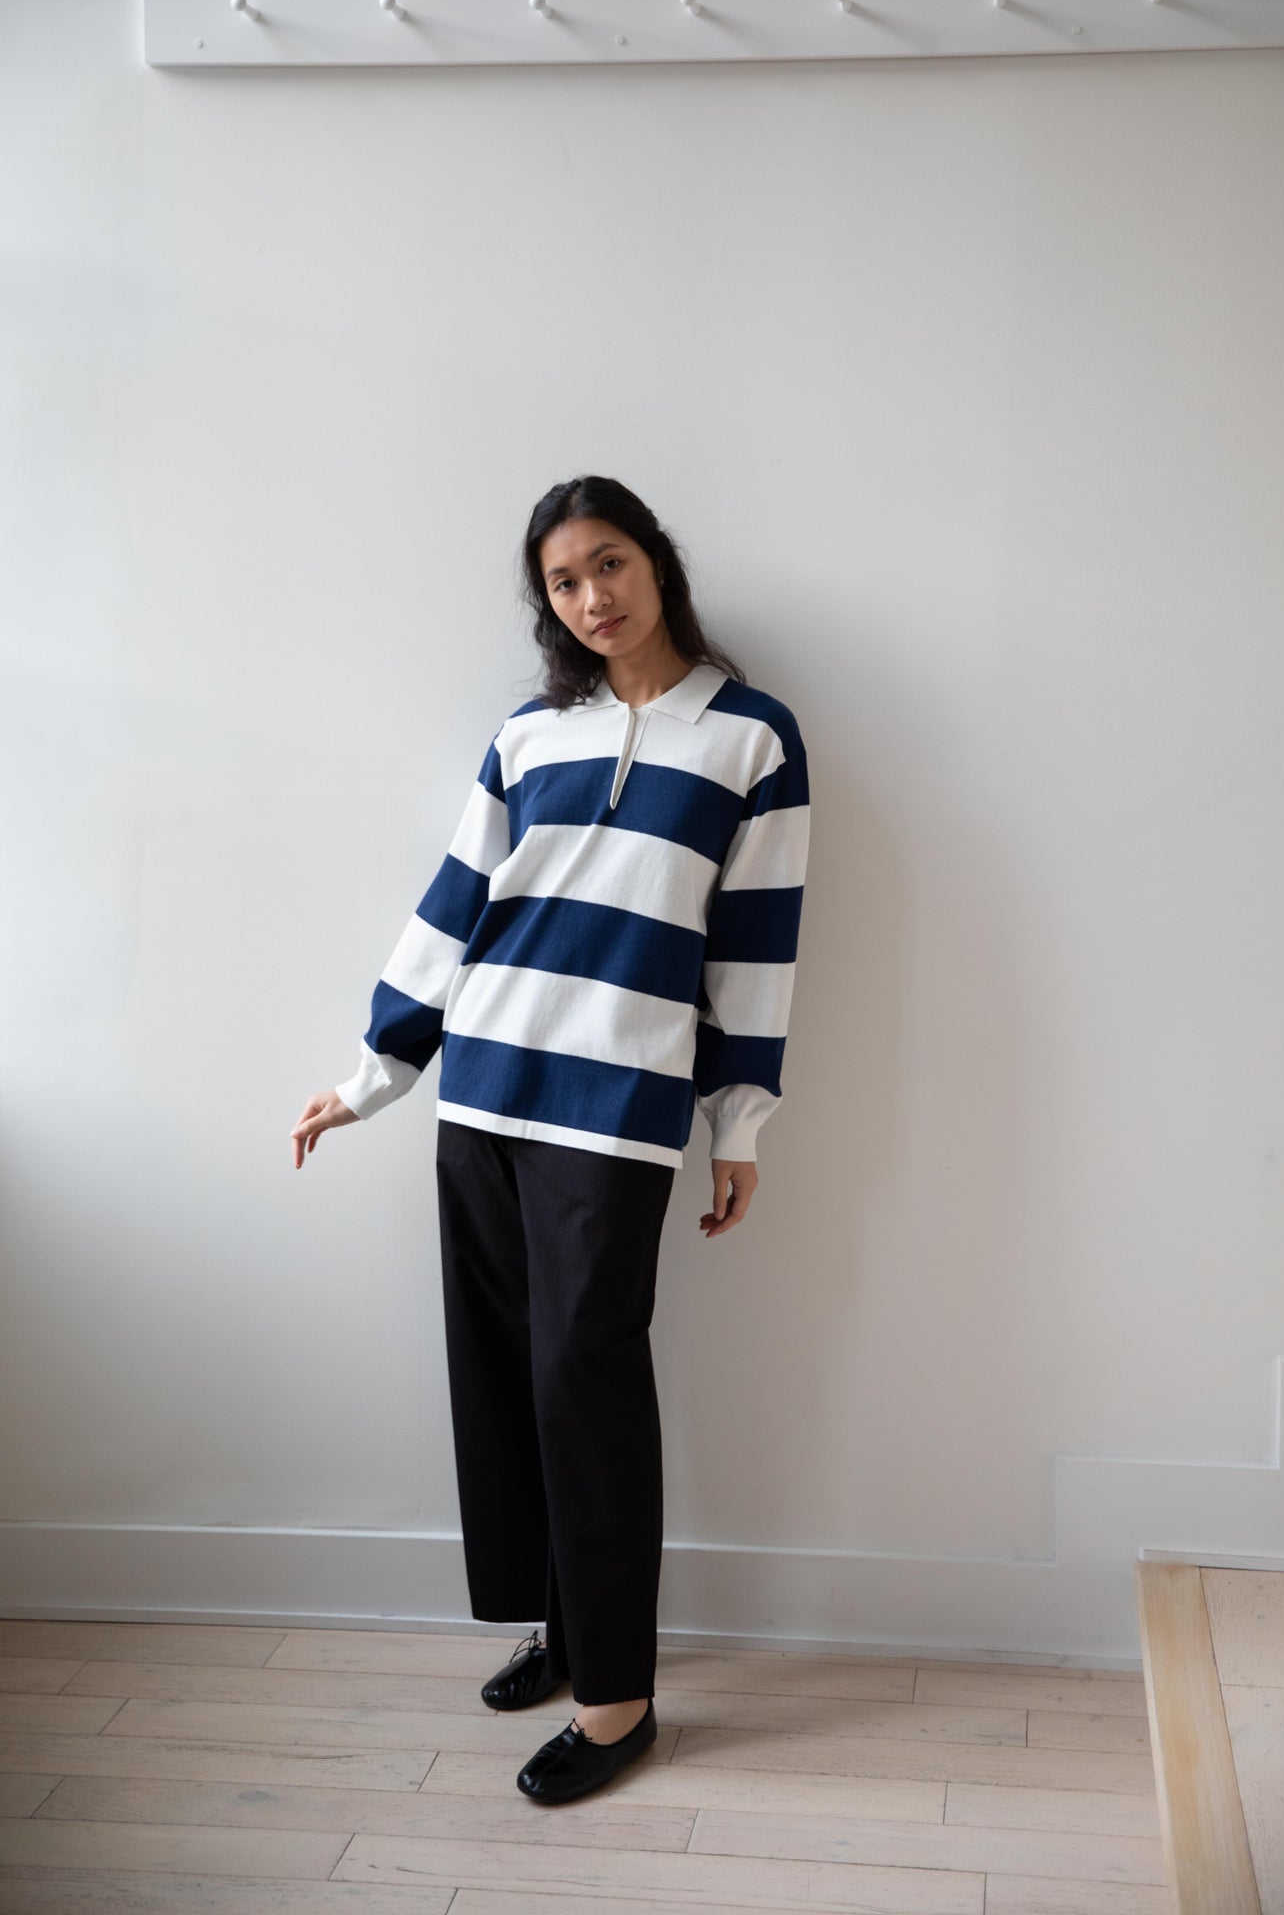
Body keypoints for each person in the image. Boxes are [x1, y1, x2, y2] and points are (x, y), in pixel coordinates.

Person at [291, 474, 810, 1803]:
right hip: (483, 1091)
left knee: (587, 1381)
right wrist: (372, 1075)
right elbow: (456, 902)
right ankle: (564, 1629)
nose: (591, 597)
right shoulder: (529, 736)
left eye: (607, 564)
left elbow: (754, 943)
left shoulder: (753, 739)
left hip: (617, 1108)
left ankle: (618, 1698)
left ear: (656, 563)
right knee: (504, 1379)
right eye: (563, 583)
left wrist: (736, 1123)